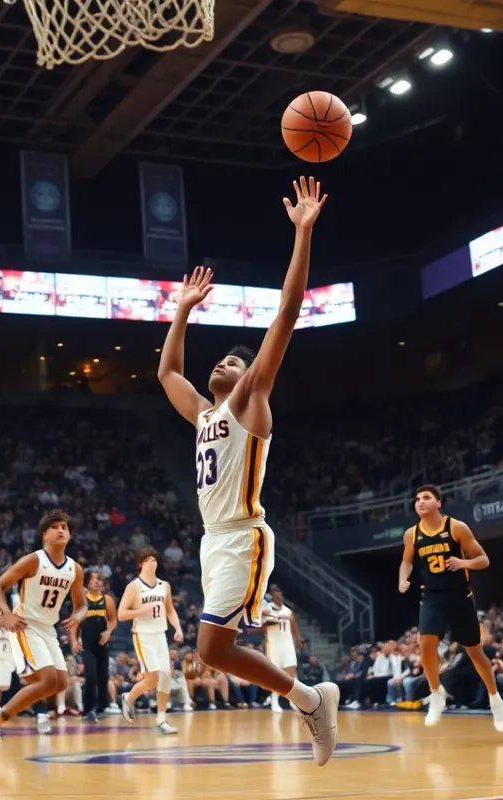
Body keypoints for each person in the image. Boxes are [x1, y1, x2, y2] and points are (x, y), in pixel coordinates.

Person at [155, 176, 340, 766]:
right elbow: (166, 375)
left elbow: (287, 311)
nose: (225, 361)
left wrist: (303, 234)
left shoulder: (250, 402)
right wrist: (181, 311)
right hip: (215, 542)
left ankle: (311, 701)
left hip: (243, 535)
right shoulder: (207, 415)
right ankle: (312, 699)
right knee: (213, 649)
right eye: (224, 357)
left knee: (212, 647)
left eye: (235, 359)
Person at [0, 510, 87, 758]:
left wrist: (78, 617)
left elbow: (82, 604)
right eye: (56, 527)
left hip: (48, 629)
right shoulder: (33, 560)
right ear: (45, 534)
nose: (62, 530)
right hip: (26, 626)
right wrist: (6, 612)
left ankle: (0, 719)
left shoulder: (75, 569)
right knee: (47, 680)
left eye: (65, 527)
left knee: (60, 683)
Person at [398, 485, 503, 732]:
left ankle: (495, 699)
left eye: (426, 498)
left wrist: (463, 562)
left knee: (475, 652)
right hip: (432, 597)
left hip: (459, 596)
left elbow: (483, 560)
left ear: (438, 503)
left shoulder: (456, 527)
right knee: (425, 642)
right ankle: (436, 693)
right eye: (417, 499)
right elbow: (406, 562)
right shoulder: (411, 534)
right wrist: (402, 578)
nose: (420, 502)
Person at [116, 547, 183, 734]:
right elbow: (121, 614)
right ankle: (129, 697)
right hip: (142, 635)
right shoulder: (134, 586)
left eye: (154, 558)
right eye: (147, 559)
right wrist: (141, 611)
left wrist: (177, 628)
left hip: (160, 634)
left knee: (166, 676)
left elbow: (170, 610)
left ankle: (161, 720)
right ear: (140, 564)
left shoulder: (164, 586)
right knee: (153, 678)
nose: (152, 561)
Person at [77, 570, 116, 724]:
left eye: (97, 579)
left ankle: (101, 707)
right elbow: (75, 623)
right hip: (87, 645)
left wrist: (108, 631)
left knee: (103, 677)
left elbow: (113, 620)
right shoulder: (82, 600)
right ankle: (88, 709)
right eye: (91, 579)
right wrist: (74, 640)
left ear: (102, 582)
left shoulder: (107, 600)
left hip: (102, 644)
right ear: (87, 582)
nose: (94, 582)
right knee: (91, 675)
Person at [261, 585, 304, 713]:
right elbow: (260, 626)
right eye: (275, 591)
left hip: (287, 644)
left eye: (279, 591)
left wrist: (298, 639)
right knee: (276, 675)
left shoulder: (288, 611)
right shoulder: (265, 609)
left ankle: (292, 701)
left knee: (291, 674)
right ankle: (274, 701)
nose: (279, 594)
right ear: (271, 595)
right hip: (274, 645)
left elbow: (293, 625)